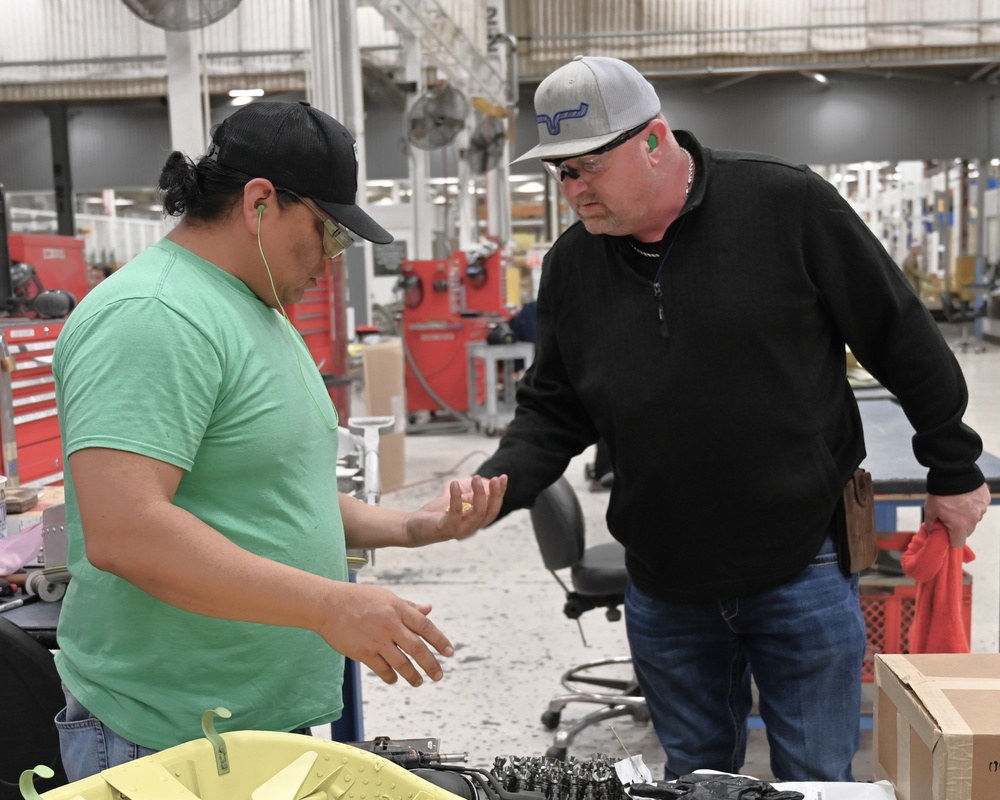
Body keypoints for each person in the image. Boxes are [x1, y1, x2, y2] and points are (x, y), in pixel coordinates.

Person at [465, 56, 990, 781]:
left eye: (586, 168)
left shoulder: (788, 205)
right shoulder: (573, 266)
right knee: (696, 781)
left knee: (814, 782)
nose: (572, 191)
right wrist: (491, 488)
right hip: (664, 581)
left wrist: (954, 468)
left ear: (652, 142)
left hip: (798, 562)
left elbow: (903, 339)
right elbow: (554, 410)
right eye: (561, 173)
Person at [51, 100, 507, 782]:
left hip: (244, 724)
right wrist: (330, 604)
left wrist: (417, 528)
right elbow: (125, 531)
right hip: (166, 737)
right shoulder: (155, 314)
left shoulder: (252, 308)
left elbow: (282, 493)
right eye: (326, 232)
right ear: (261, 202)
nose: (330, 258)